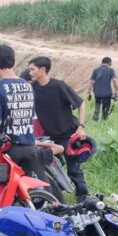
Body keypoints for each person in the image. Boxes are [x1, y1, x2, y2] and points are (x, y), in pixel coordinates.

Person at [0, 45, 58, 198]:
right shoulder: (27, 86)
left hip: (9, 150)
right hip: (29, 146)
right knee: (27, 190)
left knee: (4, 192)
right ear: (13, 62)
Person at [28, 56, 90, 202]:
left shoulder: (59, 86)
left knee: (74, 170)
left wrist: (81, 127)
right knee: (54, 167)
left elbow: (81, 104)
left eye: (32, 69)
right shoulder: (32, 88)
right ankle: (55, 193)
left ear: (42, 70)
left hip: (68, 135)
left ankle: (84, 197)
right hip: (50, 138)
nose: (30, 72)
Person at [88, 57, 118, 121]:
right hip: (107, 93)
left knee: (97, 105)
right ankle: (104, 121)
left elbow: (91, 82)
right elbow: (114, 81)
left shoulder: (95, 70)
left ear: (102, 62)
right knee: (105, 109)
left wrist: (89, 92)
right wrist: (116, 91)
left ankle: (95, 119)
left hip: (97, 93)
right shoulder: (111, 70)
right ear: (110, 62)